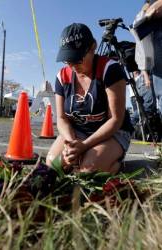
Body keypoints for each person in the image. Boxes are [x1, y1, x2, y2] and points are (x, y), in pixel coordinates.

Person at [46, 23, 134, 174]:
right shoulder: (62, 76)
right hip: (78, 132)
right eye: (68, 60)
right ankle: (89, 155)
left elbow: (115, 120)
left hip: (112, 132)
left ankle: (117, 163)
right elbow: (61, 118)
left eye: (77, 59)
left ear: (93, 47)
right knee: (53, 165)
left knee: (88, 170)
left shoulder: (110, 69)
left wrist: (85, 145)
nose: (72, 65)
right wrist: (71, 143)